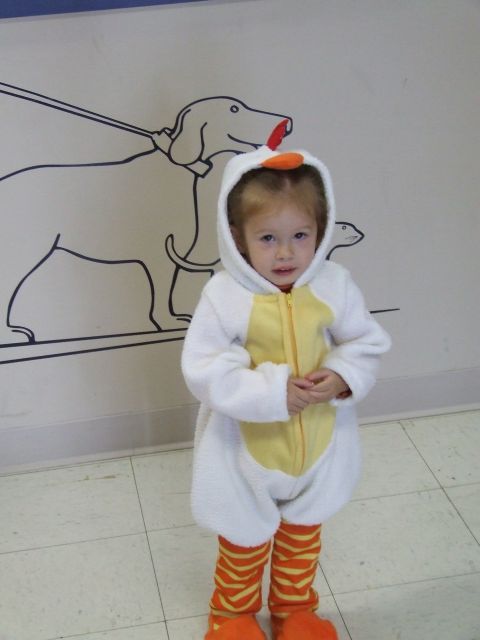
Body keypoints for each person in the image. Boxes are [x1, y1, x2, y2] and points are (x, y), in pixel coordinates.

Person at [181, 130, 391, 640]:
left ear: (322, 229)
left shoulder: (334, 284)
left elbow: (365, 342)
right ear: (237, 238)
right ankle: (231, 616)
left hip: (319, 443)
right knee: (243, 538)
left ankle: (295, 611)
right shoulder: (223, 296)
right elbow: (203, 367)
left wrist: (342, 375)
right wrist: (272, 393)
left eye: (300, 235)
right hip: (246, 450)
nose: (286, 253)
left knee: (304, 534)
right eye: (268, 238)